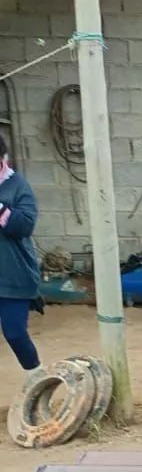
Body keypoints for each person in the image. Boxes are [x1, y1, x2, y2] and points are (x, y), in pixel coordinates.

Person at [0, 134, 42, 376]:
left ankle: (37, 377)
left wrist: (1, 209)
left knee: (15, 332)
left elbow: (25, 226)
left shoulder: (17, 186)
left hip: (13, 274)